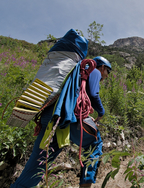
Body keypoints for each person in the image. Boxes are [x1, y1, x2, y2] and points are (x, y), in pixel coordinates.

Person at [10, 56, 112, 188]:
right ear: (103, 67)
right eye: (108, 72)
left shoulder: (75, 72)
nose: (107, 75)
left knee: (39, 161)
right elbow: (93, 94)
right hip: (70, 116)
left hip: (52, 116)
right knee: (95, 143)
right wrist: (101, 112)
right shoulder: (94, 70)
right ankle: (85, 184)